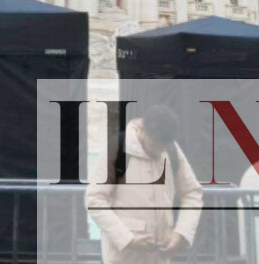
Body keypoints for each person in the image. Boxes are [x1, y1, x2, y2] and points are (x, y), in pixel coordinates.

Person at [86, 106, 203, 263]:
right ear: (142, 130)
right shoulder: (116, 150)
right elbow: (94, 201)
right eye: (154, 145)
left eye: (163, 147)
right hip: (124, 258)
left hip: (160, 258)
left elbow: (192, 193)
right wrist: (127, 239)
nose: (159, 152)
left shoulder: (171, 149)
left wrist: (181, 234)